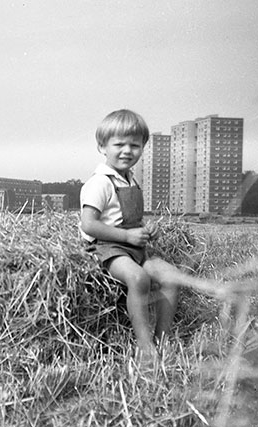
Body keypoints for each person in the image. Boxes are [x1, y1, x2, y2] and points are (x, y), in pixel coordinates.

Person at [80, 109, 196, 356]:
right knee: (138, 279)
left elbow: (128, 219)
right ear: (102, 147)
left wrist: (144, 230)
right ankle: (144, 345)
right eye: (119, 144)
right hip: (107, 248)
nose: (127, 151)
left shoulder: (130, 180)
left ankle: (163, 339)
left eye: (134, 145)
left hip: (135, 248)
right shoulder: (100, 182)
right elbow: (89, 225)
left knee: (171, 276)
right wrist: (127, 236)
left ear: (143, 148)